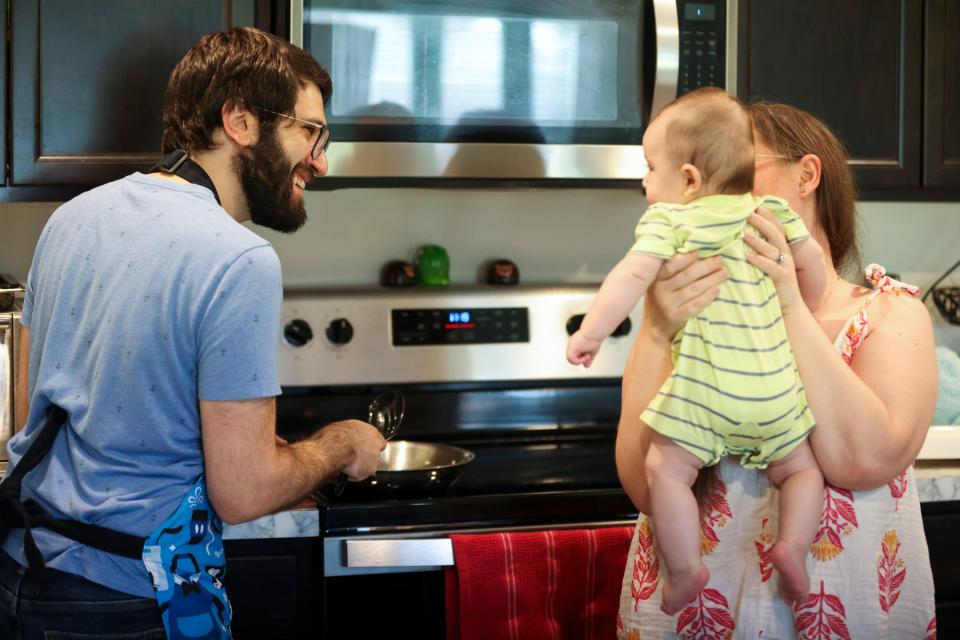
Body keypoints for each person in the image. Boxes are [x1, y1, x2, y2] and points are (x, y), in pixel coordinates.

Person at [0, 27, 386, 640]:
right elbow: (244, 492)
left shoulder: (70, 218)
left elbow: (34, 412)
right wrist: (340, 444)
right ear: (239, 120)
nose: (320, 159)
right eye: (309, 131)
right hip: (132, 602)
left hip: (24, 578)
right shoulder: (239, 260)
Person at [615, 101, 937, 639]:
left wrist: (788, 303)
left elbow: (863, 461)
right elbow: (642, 485)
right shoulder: (688, 314)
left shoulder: (888, 314)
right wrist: (654, 329)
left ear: (806, 174)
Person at [567, 88, 826, 614]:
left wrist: (590, 333)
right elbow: (814, 264)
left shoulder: (673, 222)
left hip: (705, 397)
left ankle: (685, 569)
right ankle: (794, 548)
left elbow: (629, 277)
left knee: (666, 473)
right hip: (773, 392)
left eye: (649, 167)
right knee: (803, 471)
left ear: (688, 179)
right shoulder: (770, 210)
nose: (643, 181)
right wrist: (805, 305)